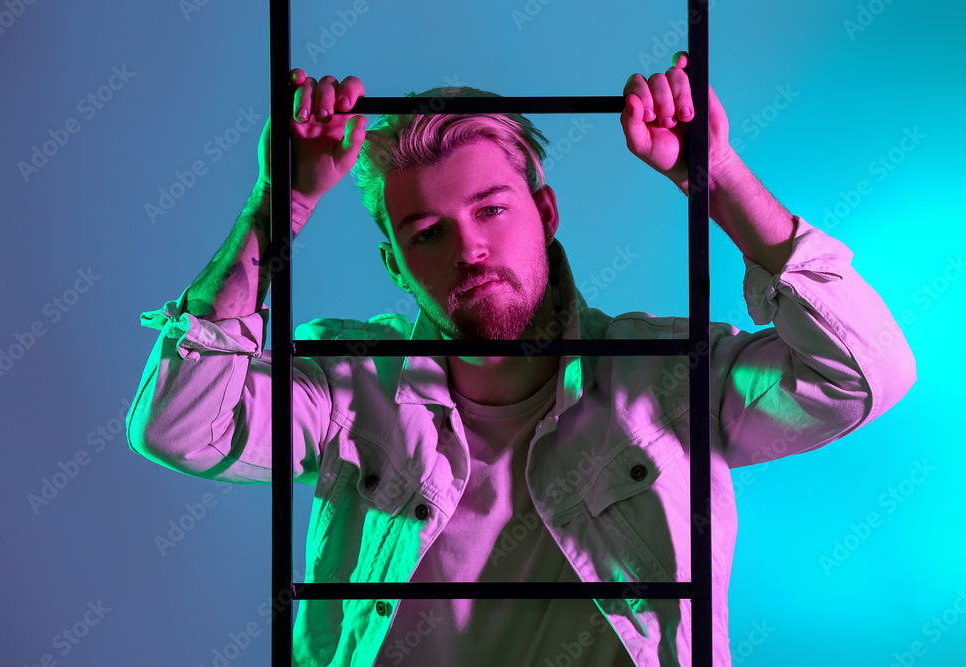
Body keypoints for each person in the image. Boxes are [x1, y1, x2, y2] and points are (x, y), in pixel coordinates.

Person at [126, 52, 916, 666]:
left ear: (544, 211)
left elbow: (865, 371)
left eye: (492, 209)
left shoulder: (668, 376)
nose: (468, 247)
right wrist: (280, 206)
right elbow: (178, 419)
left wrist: (719, 180)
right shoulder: (350, 385)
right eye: (427, 233)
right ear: (396, 266)